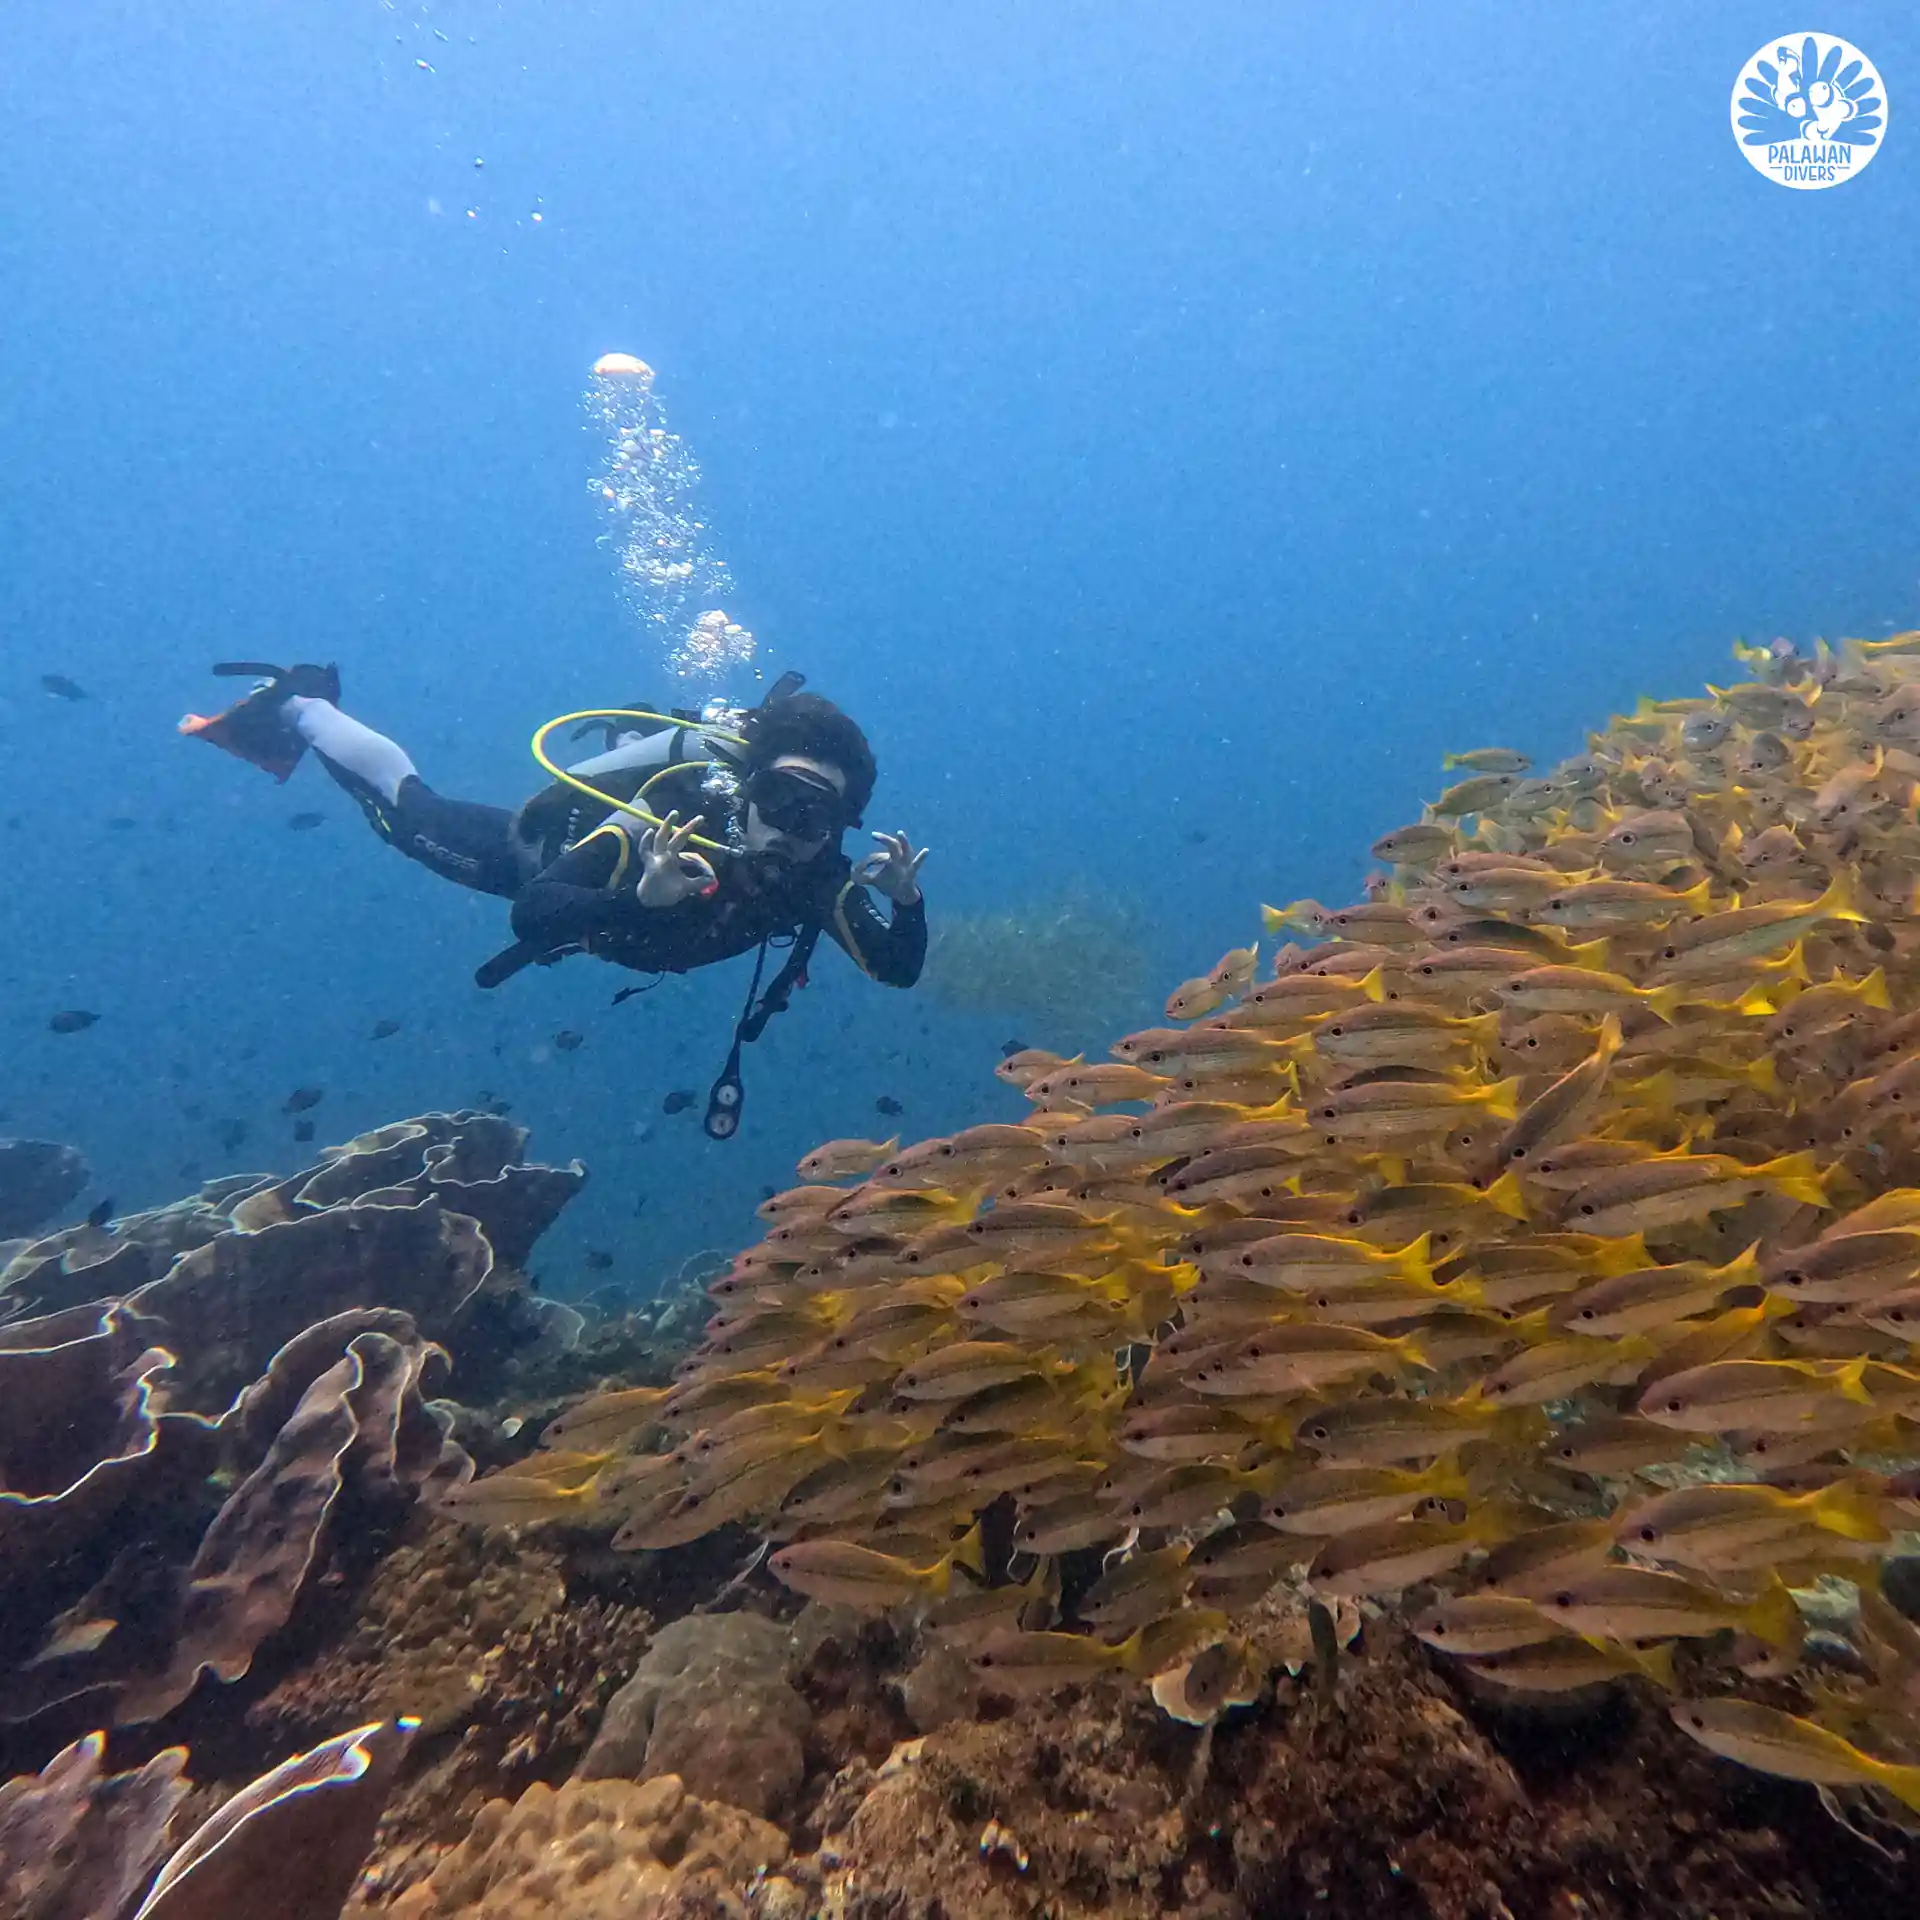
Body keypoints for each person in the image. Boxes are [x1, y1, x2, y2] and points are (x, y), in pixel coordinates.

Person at [181, 664, 929, 1133]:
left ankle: (300, 707)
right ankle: (300, 704)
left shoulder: (819, 878)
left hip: (613, 919)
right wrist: (645, 900)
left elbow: (896, 967)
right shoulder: (674, 817)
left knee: (413, 814)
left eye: (816, 817)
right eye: (776, 797)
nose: (788, 829)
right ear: (746, 789)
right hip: (536, 856)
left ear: (839, 829)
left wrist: (907, 902)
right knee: (410, 815)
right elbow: (535, 911)